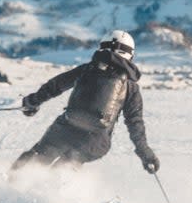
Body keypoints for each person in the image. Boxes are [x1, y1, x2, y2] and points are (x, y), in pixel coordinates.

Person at [11, 29, 159, 174]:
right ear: (130, 55)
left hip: (65, 128)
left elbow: (56, 85)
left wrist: (33, 101)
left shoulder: (86, 69)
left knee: (37, 159)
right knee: (65, 166)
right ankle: (55, 190)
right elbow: (135, 122)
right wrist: (145, 153)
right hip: (96, 140)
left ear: (102, 47)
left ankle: (10, 182)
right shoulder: (130, 87)